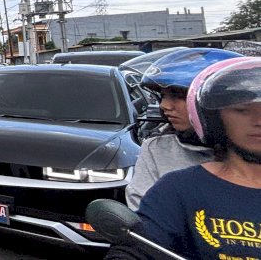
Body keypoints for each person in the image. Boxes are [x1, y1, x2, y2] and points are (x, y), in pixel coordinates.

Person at [106, 58, 261, 259]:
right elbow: (138, 248)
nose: (258, 121)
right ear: (215, 116)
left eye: (178, 96)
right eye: (242, 110)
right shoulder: (179, 188)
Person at [125, 48, 243, 209]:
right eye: (163, 96)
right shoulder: (158, 149)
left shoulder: (252, 149)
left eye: (177, 96)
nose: (164, 105)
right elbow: (145, 213)